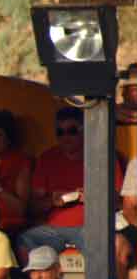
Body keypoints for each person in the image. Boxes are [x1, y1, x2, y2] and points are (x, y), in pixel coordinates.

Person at [18, 106, 124, 264]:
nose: (65, 137)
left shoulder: (103, 155)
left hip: (90, 227)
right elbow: (32, 206)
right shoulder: (47, 158)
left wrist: (94, 197)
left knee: (107, 247)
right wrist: (51, 200)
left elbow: (120, 202)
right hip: (54, 229)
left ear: (83, 130)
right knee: (24, 240)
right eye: (60, 132)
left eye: (71, 130)